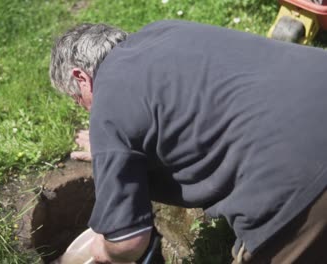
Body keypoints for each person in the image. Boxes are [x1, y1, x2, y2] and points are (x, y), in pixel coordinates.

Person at [49, 20, 327, 263]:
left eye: (78, 100)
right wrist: (112, 149)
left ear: (80, 77)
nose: (86, 109)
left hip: (302, 177)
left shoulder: (108, 102)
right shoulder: (167, 30)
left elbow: (128, 243)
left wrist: (104, 251)